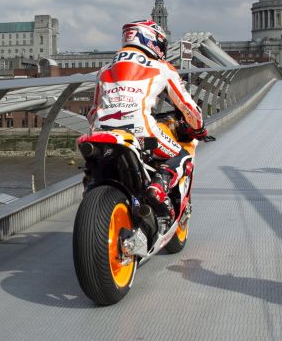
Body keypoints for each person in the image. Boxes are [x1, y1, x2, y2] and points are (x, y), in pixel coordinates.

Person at [87, 19, 206, 224]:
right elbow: (187, 107)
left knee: (95, 169)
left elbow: (93, 111)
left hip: (100, 132)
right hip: (141, 131)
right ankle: (158, 186)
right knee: (182, 156)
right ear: (152, 40)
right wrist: (199, 127)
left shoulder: (105, 69)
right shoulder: (161, 67)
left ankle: (91, 188)